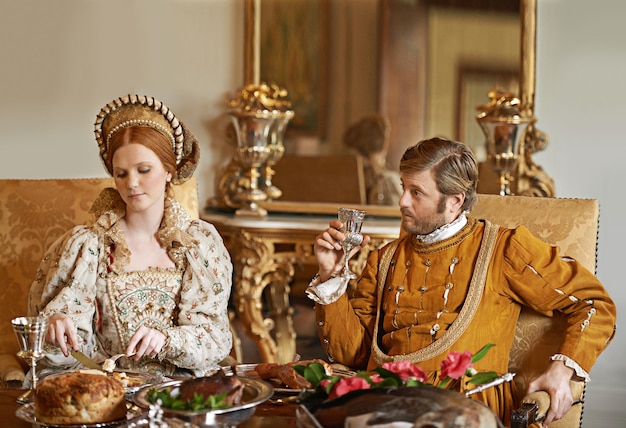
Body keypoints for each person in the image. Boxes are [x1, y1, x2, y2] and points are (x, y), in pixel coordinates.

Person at [307, 137, 616, 425]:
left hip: (465, 410)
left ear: (454, 202)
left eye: (416, 192)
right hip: (383, 406)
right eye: (403, 187)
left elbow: (594, 304)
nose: (401, 201)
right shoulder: (383, 258)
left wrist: (562, 371)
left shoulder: (505, 250)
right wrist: (330, 274)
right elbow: (352, 356)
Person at [28, 94, 233, 378]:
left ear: (169, 170)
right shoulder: (89, 246)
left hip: (182, 392)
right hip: (111, 389)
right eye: (121, 174)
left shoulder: (198, 245)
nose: (132, 184)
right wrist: (60, 327)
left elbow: (215, 338)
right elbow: (71, 351)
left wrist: (168, 339)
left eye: (143, 170)